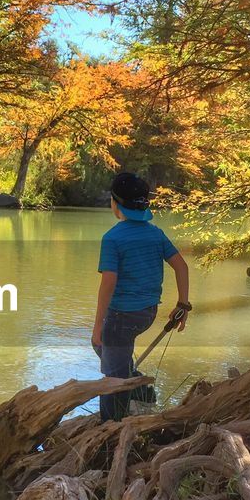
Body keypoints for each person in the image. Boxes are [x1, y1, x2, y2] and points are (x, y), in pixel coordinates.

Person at [92, 172, 191, 421]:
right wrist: (183, 305)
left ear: (115, 204)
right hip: (147, 313)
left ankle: (111, 427)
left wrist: (97, 326)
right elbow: (182, 267)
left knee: (111, 372)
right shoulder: (155, 234)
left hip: (121, 316)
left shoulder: (112, 238)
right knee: (116, 357)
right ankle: (141, 390)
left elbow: (108, 283)